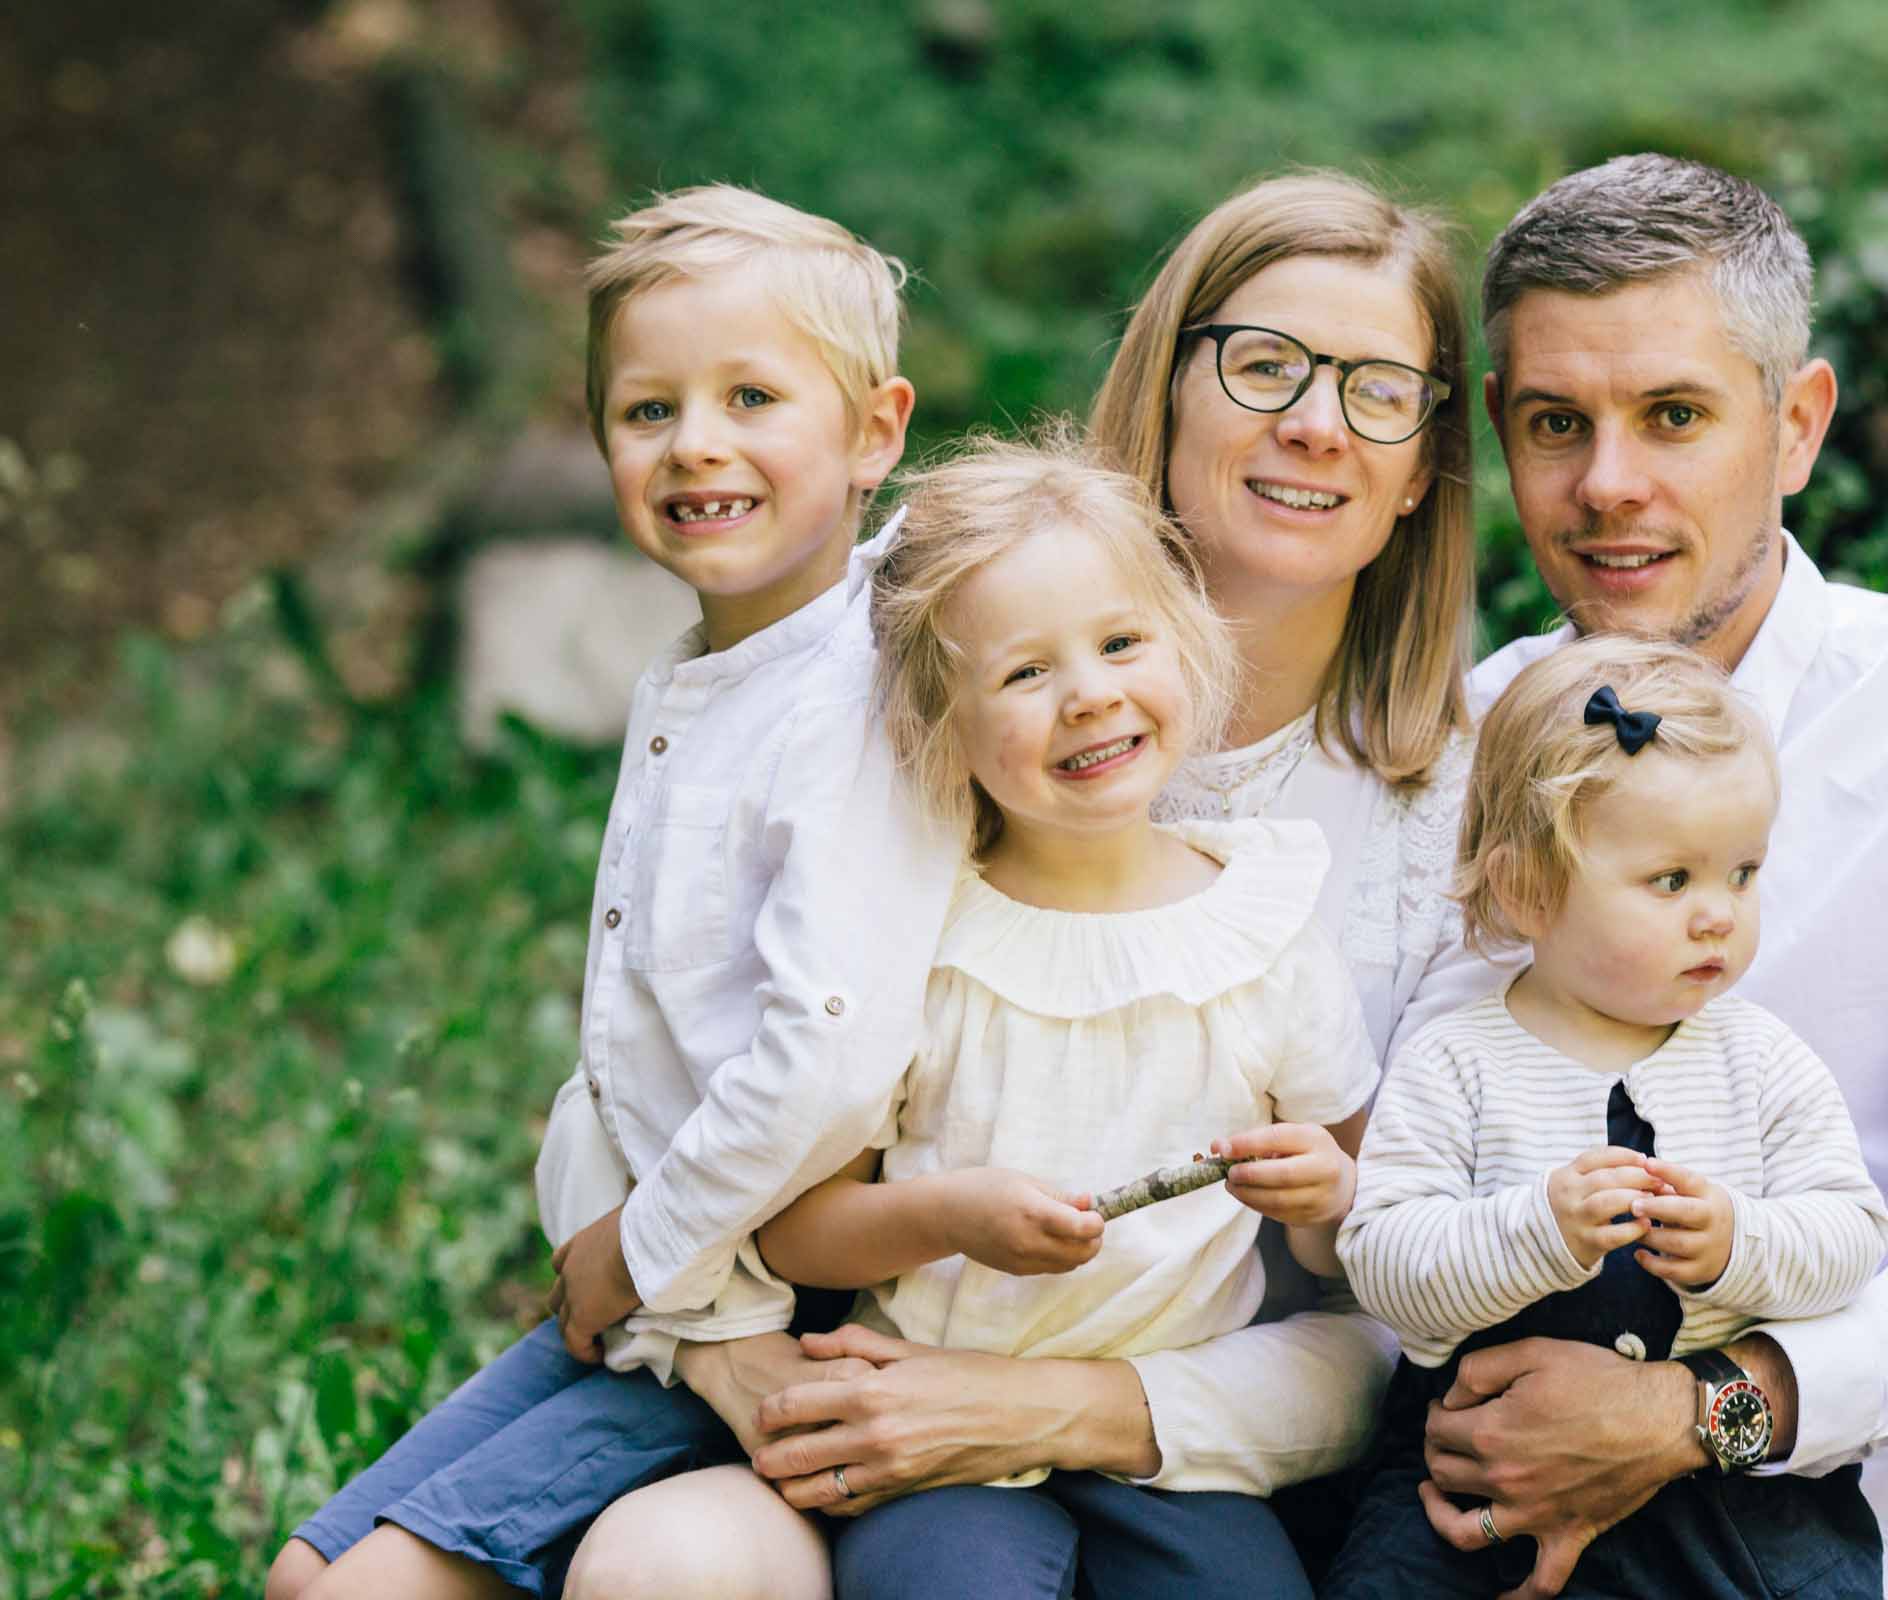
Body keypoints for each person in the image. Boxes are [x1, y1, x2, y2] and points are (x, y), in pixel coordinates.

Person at [562, 170, 1495, 1598]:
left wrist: (1060, 1404)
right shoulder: (919, 668)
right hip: (839, 1379)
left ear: (1427, 459)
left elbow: (1411, 1285)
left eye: (1378, 390)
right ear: (1166, 387)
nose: (1315, 421)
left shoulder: (1447, 818)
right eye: (1263, 366)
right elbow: (671, 1021)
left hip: (1234, 1449)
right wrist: (651, 1275)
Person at [1448, 154, 1888, 1599]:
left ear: (1796, 425)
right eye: (1555, 424)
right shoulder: (1458, 749)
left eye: (1673, 416)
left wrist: (1702, 1417)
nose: (1607, 485)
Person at [265, 183, 960, 1600]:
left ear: (875, 430)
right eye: (649, 411)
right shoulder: (700, 680)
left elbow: (827, 1062)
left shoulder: (856, 702)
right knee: (304, 1575)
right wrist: (629, 1258)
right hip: (667, 1302)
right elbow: (623, 1044)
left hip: (759, 1295)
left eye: (753, 396)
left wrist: (645, 1256)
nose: (696, 442)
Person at [758, 432, 1383, 1599]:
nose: (1089, 692)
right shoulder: (919, 938)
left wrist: (1324, 1199)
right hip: (930, 1437)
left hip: (1179, 1442)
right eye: (1025, 672)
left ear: (1186, 647)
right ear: (941, 725)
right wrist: (948, 1214)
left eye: (1119, 642)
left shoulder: (1264, 919)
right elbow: (799, 1230)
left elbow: (1359, 1225)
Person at [1326, 633, 1888, 1600]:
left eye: (1743, 873)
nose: (1719, 914)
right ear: (1526, 890)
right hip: (1472, 1458)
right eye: (1672, 881)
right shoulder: (1457, 1063)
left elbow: (1853, 1235)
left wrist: (1736, 1244)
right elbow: (1382, 1264)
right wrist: (1534, 1232)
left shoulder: (1762, 1061)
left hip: (1713, 1488)